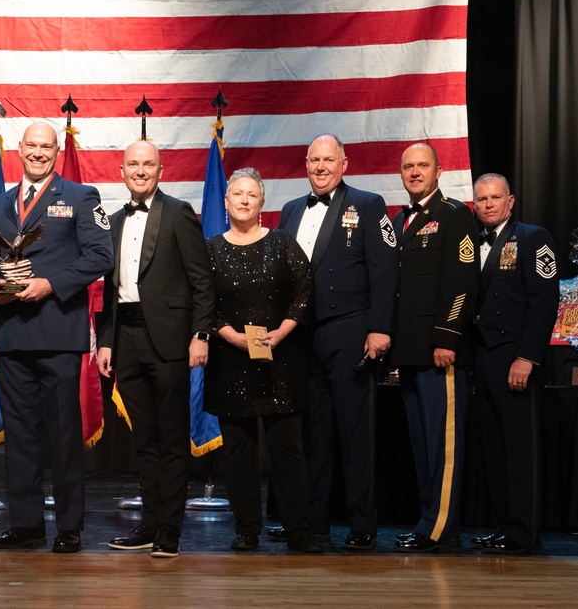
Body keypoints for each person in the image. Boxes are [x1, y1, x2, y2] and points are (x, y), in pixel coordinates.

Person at [0, 121, 113, 554]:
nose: (38, 152)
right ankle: (26, 526)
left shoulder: (79, 196)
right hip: (13, 334)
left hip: (58, 332)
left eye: (47, 146)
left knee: (63, 435)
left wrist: (50, 284)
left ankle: (69, 526)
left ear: (57, 151)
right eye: (32, 145)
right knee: (20, 437)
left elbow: (101, 255)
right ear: (19, 148)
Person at [277, 134, 397, 551]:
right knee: (313, 436)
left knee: (355, 434)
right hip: (300, 339)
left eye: (329, 160)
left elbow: (385, 271)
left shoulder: (368, 204)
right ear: (305, 163)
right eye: (314, 160)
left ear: (344, 164)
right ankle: (314, 523)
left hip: (350, 331)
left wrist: (380, 328)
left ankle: (363, 525)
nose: (321, 167)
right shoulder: (291, 210)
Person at [96, 140, 215, 558]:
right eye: (133, 164)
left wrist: (201, 334)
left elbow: (202, 280)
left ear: (161, 171)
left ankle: (169, 530)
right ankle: (147, 525)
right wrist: (106, 341)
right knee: (143, 441)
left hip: (168, 339)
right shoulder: (110, 221)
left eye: (148, 164)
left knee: (171, 439)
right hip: (125, 340)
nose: (140, 171)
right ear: (122, 171)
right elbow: (109, 292)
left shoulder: (179, 213)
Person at [203, 168, 323, 554]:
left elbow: (305, 291)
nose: (243, 199)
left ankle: (299, 532)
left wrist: (284, 331)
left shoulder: (283, 243)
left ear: (262, 203)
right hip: (229, 360)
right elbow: (203, 302)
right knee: (238, 452)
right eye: (237, 193)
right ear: (226, 201)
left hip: (281, 359)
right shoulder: (209, 249)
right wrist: (230, 336)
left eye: (251, 194)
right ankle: (246, 530)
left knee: (287, 450)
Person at [390, 143, 479, 552]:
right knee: (423, 444)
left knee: (443, 447)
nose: (414, 172)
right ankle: (430, 521)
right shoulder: (400, 220)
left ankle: (439, 528)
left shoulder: (455, 214)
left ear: (438, 171)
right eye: (408, 166)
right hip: (409, 353)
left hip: (438, 351)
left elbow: (462, 283)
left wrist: (447, 338)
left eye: (422, 165)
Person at [470, 173, 558, 554]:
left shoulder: (533, 238)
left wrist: (527, 357)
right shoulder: (470, 242)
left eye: (495, 198)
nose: (488, 204)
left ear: (511, 201)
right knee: (495, 447)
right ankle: (503, 525)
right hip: (483, 355)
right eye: (481, 199)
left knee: (520, 448)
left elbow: (544, 302)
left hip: (514, 356)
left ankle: (523, 532)